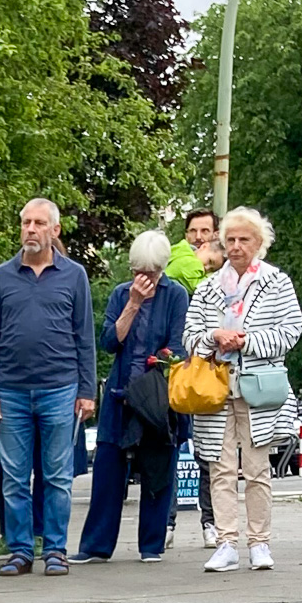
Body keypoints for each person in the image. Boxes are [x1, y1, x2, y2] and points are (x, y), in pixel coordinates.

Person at [0, 200, 94, 578]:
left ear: (54, 231)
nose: (30, 229)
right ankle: (20, 551)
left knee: (58, 476)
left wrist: (87, 390)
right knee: (14, 478)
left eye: (39, 223)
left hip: (60, 388)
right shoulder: (0, 276)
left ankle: (56, 550)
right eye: (26, 222)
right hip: (10, 391)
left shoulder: (74, 275)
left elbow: (84, 336)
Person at [186, 207, 302, 573]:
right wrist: (213, 336)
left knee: (256, 469)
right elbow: (189, 336)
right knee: (219, 468)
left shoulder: (277, 282)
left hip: (258, 389)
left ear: (260, 243)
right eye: (231, 239)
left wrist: (247, 341)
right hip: (215, 389)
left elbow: (291, 330)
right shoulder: (207, 287)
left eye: (244, 239)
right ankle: (225, 542)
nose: (236, 246)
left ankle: (259, 542)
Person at [75, 231, 190, 563]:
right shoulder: (120, 294)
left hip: (156, 397)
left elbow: (178, 347)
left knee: (157, 469)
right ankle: (96, 545)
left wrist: (159, 362)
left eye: (151, 272)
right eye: (138, 271)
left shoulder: (177, 295)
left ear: (162, 268)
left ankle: (151, 545)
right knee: (108, 470)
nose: (145, 279)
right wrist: (133, 304)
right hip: (120, 394)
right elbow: (110, 341)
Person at [166, 210, 217, 294]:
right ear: (186, 235)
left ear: (216, 235)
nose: (198, 237)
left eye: (205, 231)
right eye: (193, 231)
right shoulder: (167, 256)